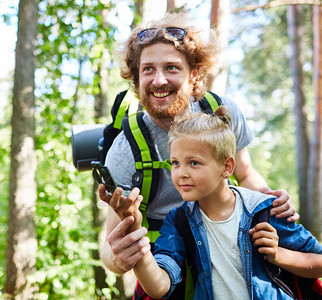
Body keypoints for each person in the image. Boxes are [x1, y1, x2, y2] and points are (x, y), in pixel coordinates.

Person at [99, 12, 298, 287]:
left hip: (233, 250)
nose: (158, 81)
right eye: (148, 69)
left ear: (193, 74)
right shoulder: (125, 149)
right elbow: (109, 246)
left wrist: (268, 202)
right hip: (166, 266)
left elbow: (246, 174)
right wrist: (119, 259)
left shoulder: (222, 116)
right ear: (135, 79)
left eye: (171, 67)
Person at [108, 107, 322, 299]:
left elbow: (321, 263)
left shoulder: (264, 210)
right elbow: (159, 287)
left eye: (194, 162)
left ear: (227, 167)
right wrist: (134, 229)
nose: (181, 173)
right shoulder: (178, 222)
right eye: (175, 162)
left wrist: (278, 254)